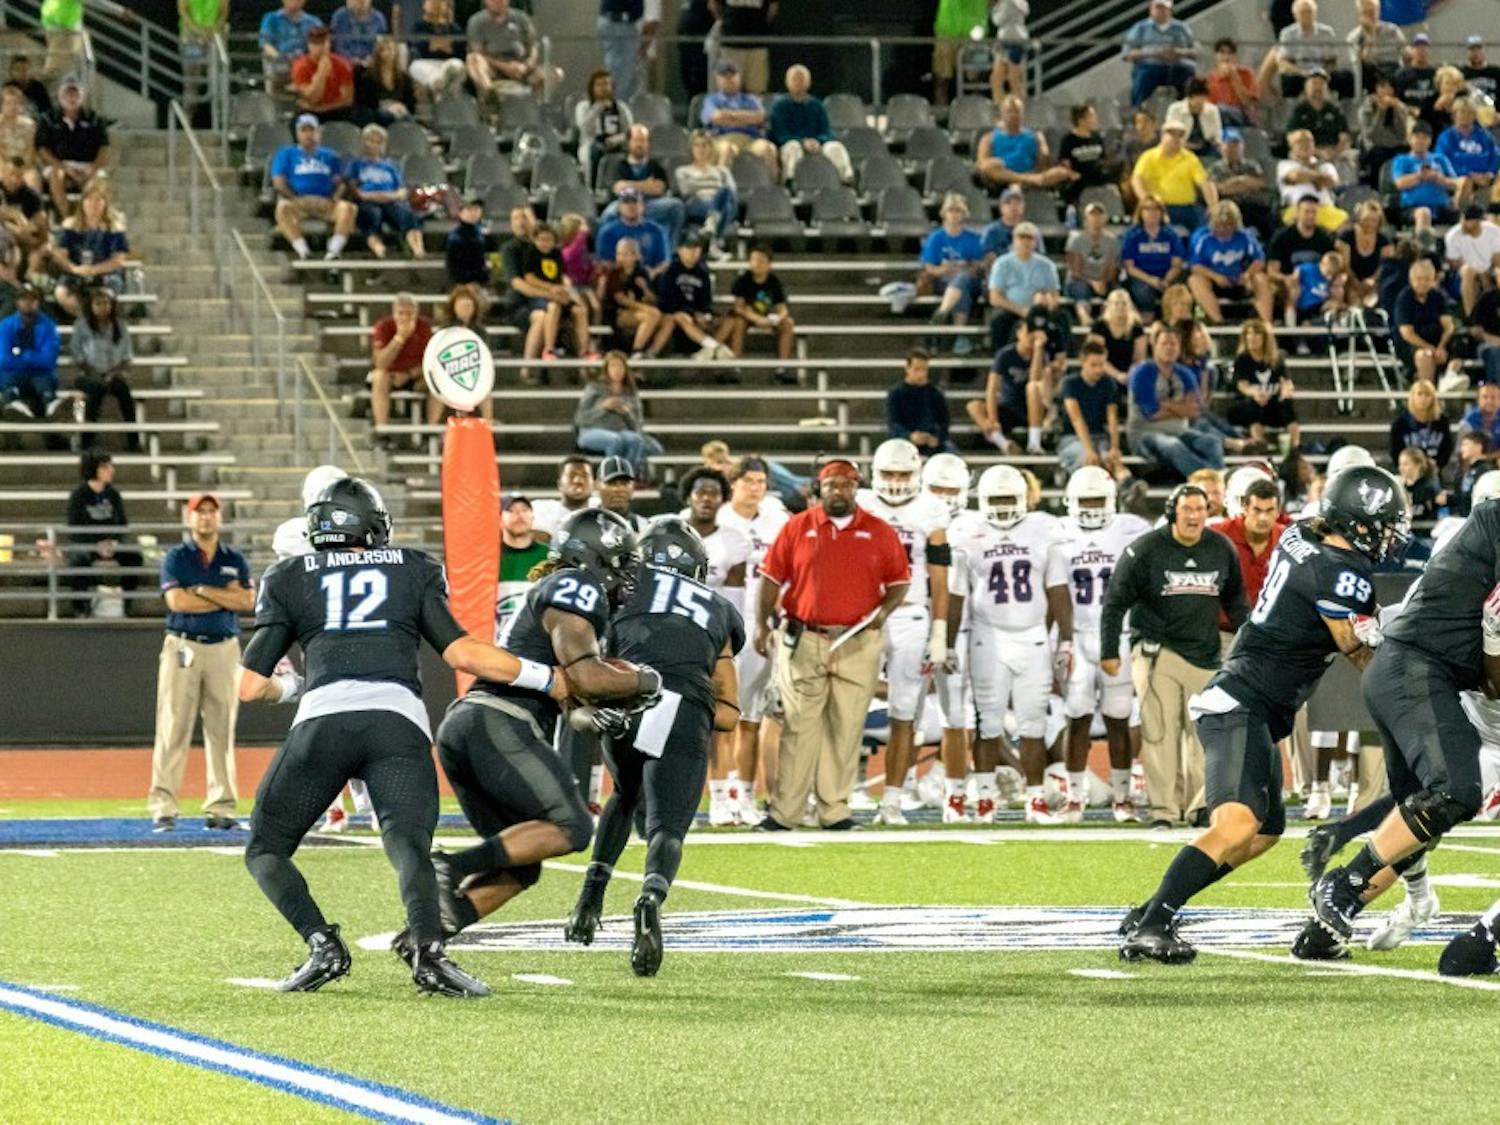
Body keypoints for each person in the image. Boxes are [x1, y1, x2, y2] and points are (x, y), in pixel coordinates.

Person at [239, 478, 561, 996]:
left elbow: (250, 686)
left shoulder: (288, 576)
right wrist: (546, 677)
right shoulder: (412, 567)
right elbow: (461, 654)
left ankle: (322, 944)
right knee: (410, 845)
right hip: (398, 721)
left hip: (323, 722)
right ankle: (430, 955)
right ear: (371, 526)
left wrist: (294, 687)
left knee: (265, 849)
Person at [1119, 466, 1398, 962]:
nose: (1391, 533)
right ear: (1358, 522)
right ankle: (1156, 918)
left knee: (1266, 830)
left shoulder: (1301, 537)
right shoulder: (1341, 573)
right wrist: (1397, 662)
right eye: (1385, 522)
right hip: (1243, 701)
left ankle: (1150, 911)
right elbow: (1353, 650)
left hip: (1252, 701)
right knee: (1237, 825)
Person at [1305, 489, 1492, 955]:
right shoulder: (1492, 527)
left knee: (1416, 814)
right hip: (1420, 672)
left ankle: (1319, 935)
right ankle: (1344, 886)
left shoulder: (1479, 538)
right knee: (1453, 792)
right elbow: (1494, 681)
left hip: (1404, 670)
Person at [565, 519, 744, 973]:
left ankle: (589, 899)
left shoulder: (622, 586)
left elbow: (589, 656)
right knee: (667, 827)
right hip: (685, 702)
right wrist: (699, 719)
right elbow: (729, 712)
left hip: (626, 693)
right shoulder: (718, 608)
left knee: (625, 795)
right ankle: (650, 897)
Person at [751, 458, 910, 830]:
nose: (839, 491)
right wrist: (761, 625)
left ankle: (834, 810)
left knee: (847, 726)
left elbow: (900, 581)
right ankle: (785, 812)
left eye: (847, 484)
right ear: (819, 488)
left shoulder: (879, 530)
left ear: (857, 488)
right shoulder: (797, 527)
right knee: (798, 725)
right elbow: (771, 579)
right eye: (832, 485)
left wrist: (882, 616)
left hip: (858, 639)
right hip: (805, 635)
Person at [1099, 483, 1246, 828]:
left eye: (1200, 509)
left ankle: (1199, 806)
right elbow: (1115, 601)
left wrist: (1248, 642)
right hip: (1157, 651)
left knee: (1203, 736)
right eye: (1187, 510)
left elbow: (1236, 601)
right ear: (1172, 513)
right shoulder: (1146, 549)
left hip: (1206, 653)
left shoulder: (1220, 547)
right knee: (1160, 732)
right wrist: (1109, 650)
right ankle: (1163, 810)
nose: (1194, 516)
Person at [945, 465, 1070, 824]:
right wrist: (949, 644)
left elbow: (1058, 590)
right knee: (988, 724)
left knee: (1033, 725)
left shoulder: (1042, 529)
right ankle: (985, 799)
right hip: (988, 637)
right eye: (995, 499)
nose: (1001, 507)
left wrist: (1067, 640)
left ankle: (1035, 800)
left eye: (1008, 499)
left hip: (1031, 638)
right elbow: (956, 596)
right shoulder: (968, 531)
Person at [856, 440, 952, 826]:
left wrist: (940, 630)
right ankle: (833, 792)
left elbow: (940, 577)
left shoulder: (932, 509)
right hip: (862, 614)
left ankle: (892, 800)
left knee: (904, 713)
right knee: (844, 708)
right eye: (889, 474)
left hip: (912, 614)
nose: (895, 483)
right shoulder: (861, 502)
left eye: (903, 474)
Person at [1049, 466, 1153, 822]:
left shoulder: (1131, 529)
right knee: (1076, 716)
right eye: (1085, 501)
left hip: (1117, 635)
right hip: (1076, 634)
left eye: (1097, 500)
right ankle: (1074, 796)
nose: (1091, 508)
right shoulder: (1057, 532)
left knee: (1118, 718)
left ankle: (1122, 797)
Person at [148, 493, 253, 833]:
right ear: (188, 517)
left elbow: (247, 600)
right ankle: (163, 806)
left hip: (224, 647)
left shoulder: (234, 558)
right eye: (199, 512)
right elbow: (177, 602)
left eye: (211, 511)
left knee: (222, 727)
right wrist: (224, 596)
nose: (206, 517)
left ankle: (221, 807)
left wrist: (204, 591)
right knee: (173, 725)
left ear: (219, 517)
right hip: (184, 645)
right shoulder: (177, 557)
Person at [1127, 322, 1224, 480]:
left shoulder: (1185, 374)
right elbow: (1152, 413)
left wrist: (1166, 404)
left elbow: (1193, 411)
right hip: (1145, 434)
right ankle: (1207, 483)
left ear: (1179, 348)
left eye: (1173, 344)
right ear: (1155, 346)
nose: (1169, 348)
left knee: (1211, 442)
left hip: (1180, 431)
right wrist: (1180, 409)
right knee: (1173, 446)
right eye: (1164, 343)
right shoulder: (1142, 373)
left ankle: (1217, 482)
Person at [971, 307, 1063, 455]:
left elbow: (1035, 378)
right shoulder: (1006, 354)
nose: (1032, 338)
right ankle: (1003, 443)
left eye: (1035, 336)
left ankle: (1034, 443)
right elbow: (992, 388)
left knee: (1032, 387)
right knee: (974, 406)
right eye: (1029, 334)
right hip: (1010, 406)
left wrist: (1038, 350)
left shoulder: (1042, 355)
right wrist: (994, 419)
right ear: (1019, 333)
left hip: (1033, 408)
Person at [63, 449, 143, 618]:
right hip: (88, 543)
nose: (111, 470)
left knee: (135, 557)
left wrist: (114, 542)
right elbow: (74, 527)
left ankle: (128, 602)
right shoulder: (78, 496)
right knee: (78, 560)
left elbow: (122, 522)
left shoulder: (113, 495)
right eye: (105, 467)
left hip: (111, 544)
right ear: (94, 470)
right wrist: (95, 545)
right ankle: (80, 607)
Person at [339, 124, 425, 261]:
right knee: (372, 215)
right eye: (370, 140)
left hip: (390, 200)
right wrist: (367, 196)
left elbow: (402, 191)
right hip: (366, 202)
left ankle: (418, 251)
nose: (374, 145)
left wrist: (389, 196)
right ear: (363, 143)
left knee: (406, 215)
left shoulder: (390, 166)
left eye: (378, 142)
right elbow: (354, 189)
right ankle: (381, 251)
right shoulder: (356, 164)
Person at [574, 351, 662, 479]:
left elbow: (636, 426)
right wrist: (603, 407)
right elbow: (580, 419)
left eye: (620, 366)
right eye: (613, 366)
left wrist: (627, 413)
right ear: (606, 369)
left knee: (635, 439)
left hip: (620, 431)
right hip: (590, 431)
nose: (617, 370)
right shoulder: (594, 388)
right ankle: (609, 478)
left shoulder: (630, 392)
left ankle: (627, 478)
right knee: (614, 440)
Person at [921, 194, 987, 357]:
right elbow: (930, 268)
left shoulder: (973, 238)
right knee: (961, 289)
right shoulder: (936, 238)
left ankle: (941, 313)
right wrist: (946, 269)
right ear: (944, 213)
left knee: (963, 278)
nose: (955, 214)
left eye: (958, 210)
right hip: (943, 282)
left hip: (969, 282)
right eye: (951, 210)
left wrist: (963, 268)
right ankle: (960, 336)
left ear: (964, 214)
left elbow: (978, 265)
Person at [271, 115, 344, 263]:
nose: (308, 134)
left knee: (349, 208)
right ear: (297, 133)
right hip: (298, 201)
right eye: (304, 130)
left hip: (325, 202)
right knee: (282, 208)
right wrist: (294, 198)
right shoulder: (286, 154)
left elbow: (340, 182)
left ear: (318, 133)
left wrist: (335, 197)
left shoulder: (330, 156)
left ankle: (334, 251)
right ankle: (303, 251)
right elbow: (278, 182)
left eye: (312, 130)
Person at [521, 222, 597, 364]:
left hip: (559, 293)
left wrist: (564, 288)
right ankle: (549, 349)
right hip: (541, 295)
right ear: (535, 240)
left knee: (580, 311)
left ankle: (585, 350)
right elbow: (529, 278)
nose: (545, 243)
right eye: (542, 239)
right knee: (553, 307)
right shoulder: (531, 254)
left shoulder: (557, 254)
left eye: (549, 240)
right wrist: (550, 288)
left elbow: (562, 275)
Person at [1188, 199, 1273, 325]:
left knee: (1261, 278)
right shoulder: (1202, 237)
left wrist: (1247, 274)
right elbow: (1195, 266)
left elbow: (1259, 260)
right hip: (1214, 281)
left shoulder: (1244, 235)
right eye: (1220, 225)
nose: (1224, 229)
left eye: (1229, 225)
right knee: (1195, 280)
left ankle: (1265, 323)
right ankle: (1218, 322)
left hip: (1239, 280)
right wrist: (1216, 277)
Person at [600, 125, 686, 248]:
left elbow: (660, 188)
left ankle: (670, 253)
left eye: (643, 140)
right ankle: (609, 256)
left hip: (650, 205)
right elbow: (618, 188)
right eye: (636, 140)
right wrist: (646, 185)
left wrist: (629, 185)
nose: (640, 144)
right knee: (608, 215)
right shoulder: (618, 165)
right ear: (629, 142)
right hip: (623, 205)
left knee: (676, 206)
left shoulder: (656, 166)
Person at [70, 286, 135, 443]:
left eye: (106, 303)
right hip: (87, 374)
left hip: (114, 374)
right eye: (98, 304)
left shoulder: (120, 326)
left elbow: (127, 356)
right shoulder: (81, 325)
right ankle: (87, 440)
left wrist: (111, 374)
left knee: (125, 393)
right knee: (95, 390)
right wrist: (94, 373)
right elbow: (77, 353)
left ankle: (134, 439)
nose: (102, 307)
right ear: (91, 306)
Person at [368, 294, 437, 442]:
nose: (405, 318)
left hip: (416, 375)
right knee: (380, 376)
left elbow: (431, 361)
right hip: (390, 375)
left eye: (409, 314)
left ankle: (431, 434)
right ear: (394, 314)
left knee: (438, 378)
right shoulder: (383, 326)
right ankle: (382, 433)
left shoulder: (424, 327)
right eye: (401, 313)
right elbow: (380, 362)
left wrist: (409, 374)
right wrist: (399, 338)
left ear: (416, 314)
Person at [36, 79, 108, 220]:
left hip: (87, 164)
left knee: (96, 181)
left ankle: (89, 219)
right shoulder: (48, 119)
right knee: (57, 175)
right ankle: (67, 217)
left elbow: (104, 148)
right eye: (68, 95)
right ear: (60, 97)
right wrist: (64, 167)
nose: (71, 99)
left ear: (81, 97)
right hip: (59, 164)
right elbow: (42, 149)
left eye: (75, 95)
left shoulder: (94, 119)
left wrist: (93, 167)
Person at [651, 237, 731, 362]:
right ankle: (714, 347)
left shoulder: (703, 274)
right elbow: (667, 302)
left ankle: (707, 353)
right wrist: (693, 314)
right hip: (675, 317)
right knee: (681, 317)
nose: (692, 252)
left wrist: (706, 315)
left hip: (697, 317)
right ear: (680, 250)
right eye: (689, 249)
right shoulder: (670, 271)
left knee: (728, 320)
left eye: (696, 249)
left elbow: (705, 302)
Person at [717, 244, 794, 373]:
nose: (756, 264)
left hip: (765, 317)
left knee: (788, 323)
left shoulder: (774, 282)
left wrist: (776, 318)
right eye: (753, 260)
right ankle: (735, 365)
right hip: (745, 317)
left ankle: (783, 367)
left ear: (769, 265)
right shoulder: (743, 280)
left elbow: (782, 308)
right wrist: (758, 319)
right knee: (739, 322)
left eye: (760, 260)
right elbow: (739, 307)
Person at [769, 64, 853, 185]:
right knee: (792, 148)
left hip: (816, 144)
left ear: (808, 83)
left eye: (801, 79)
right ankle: (791, 182)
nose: (798, 83)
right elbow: (780, 134)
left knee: (835, 147)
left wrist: (818, 141)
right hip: (793, 143)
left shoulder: (817, 105)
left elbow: (826, 131)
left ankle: (846, 181)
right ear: (787, 82)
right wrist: (802, 142)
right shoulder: (780, 106)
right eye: (794, 79)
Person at [986, 221, 1061, 353]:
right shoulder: (1002, 263)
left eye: (1030, 238)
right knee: (998, 320)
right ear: (1014, 240)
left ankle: (1060, 358)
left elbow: (1054, 296)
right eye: (1022, 237)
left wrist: (1047, 303)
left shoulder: (1047, 266)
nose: (1026, 241)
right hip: (1011, 310)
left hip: (1039, 311)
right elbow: (994, 298)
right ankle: (1001, 359)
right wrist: (1022, 310)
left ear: (1036, 242)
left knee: (1062, 318)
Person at [1228, 319, 1298, 454]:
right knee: (1252, 404)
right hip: (1248, 407)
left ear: (1265, 338)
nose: (1251, 338)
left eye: (1256, 334)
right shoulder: (1242, 359)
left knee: (1286, 403)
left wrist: (1286, 392)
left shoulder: (1276, 358)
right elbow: (1242, 385)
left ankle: (1295, 445)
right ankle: (1260, 444)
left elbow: (1286, 382)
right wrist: (1255, 393)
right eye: (1248, 334)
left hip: (1271, 407)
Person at [976, 96, 1070, 193]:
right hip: (1002, 179)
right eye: (1009, 111)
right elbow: (982, 165)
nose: (1013, 115)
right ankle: (1025, 180)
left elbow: (1043, 167)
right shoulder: (988, 138)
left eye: (1017, 111)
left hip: (1031, 176)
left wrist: (1043, 147)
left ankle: (1025, 181)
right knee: (990, 166)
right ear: (1002, 115)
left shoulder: (1035, 136)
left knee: (1061, 172)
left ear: (1022, 114)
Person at [1058, 339, 1124, 476]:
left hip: (1100, 435)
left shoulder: (1108, 383)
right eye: (1094, 365)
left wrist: (1114, 448)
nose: (1099, 370)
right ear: (1083, 362)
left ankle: (1126, 483)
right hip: (1073, 437)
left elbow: (1112, 417)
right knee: (1090, 460)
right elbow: (1077, 419)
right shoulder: (1070, 383)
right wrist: (1089, 450)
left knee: (1112, 461)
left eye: (1102, 364)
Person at [466, 0, 551, 102]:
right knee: (473, 59)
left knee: (555, 74)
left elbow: (533, 46)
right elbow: (478, 52)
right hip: (493, 68)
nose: (498, 2)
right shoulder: (476, 21)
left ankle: (533, 105)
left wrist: (527, 65)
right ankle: (490, 97)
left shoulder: (521, 18)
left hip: (521, 67)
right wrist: (506, 67)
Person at [0, 285, 61, 423]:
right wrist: (34, 356)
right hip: (14, 376)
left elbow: (48, 360)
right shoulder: (5, 326)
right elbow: (3, 359)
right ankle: (15, 406)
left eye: (32, 299)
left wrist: (22, 354)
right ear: (17, 302)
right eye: (23, 298)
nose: (28, 302)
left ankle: (51, 409)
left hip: (41, 375)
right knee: (6, 378)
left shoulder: (48, 326)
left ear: (38, 302)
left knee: (45, 381)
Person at [700, 60, 776, 169]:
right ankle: (721, 185)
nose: (729, 79)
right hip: (723, 138)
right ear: (718, 80)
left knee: (768, 149)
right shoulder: (711, 100)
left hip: (750, 139)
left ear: (739, 78)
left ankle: (770, 185)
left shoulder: (751, 99)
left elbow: (759, 117)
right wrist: (746, 118)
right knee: (727, 150)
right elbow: (715, 117)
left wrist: (729, 116)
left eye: (733, 75)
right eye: (724, 76)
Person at [1120, 0, 1197, 108]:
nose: (1161, 11)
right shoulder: (1140, 28)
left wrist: (1179, 52)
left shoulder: (1181, 28)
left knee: (1189, 74)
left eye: (1164, 8)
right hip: (1150, 67)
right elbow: (1126, 54)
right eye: (1158, 8)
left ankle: (1191, 109)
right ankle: (1138, 111)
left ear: (1170, 10)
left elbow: (1196, 51)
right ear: (1151, 9)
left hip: (1177, 67)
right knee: (1143, 77)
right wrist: (1154, 54)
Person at [674, 131, 738, 258]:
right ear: (691, 149)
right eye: (697, 145)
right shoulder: (682, 171)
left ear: (711, 148)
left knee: (726, 194)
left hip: (721, 203)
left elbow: (731, 193)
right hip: (696, 204)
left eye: (704, 145)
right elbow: (686, 191)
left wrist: (717, 197)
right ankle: (715, 236)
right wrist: (713, 200)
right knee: (719, 203)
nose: (701, 149)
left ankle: (711, 225)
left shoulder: (722, 171)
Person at [1285, 68, 1355, 185]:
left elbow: (1345, 138)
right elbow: (1292, 138)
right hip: (1309, 151)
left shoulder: (1335, 111)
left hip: (1333, 149)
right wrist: (1317, 152)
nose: (1318, 87)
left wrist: (1334, 153)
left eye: (1321, 84)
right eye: (1314, 83)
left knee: (1351, 157)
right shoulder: (1299, 111)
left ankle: (1345, 189)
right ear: (1306, 87)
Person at [1264, 0, 1344, 100]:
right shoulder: (1287, 33)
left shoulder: (1326, 32)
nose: (1306, 16)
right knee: (1289, 82)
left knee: (1345, 79)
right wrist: (1302, 72)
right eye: (1302, 13)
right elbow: (1283, 62)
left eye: (1309, 12)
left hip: (1322, 71)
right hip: (1299, 72)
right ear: (1295, 15)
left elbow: (1333, 60)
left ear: (1315, 14)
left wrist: (1324, 73)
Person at [1120, 195, 1187, 316]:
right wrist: (1151, 280)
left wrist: (1166, 280)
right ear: (1140, 212)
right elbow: (1130, 267)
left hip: (1167, 276)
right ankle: (1147, 318)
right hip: (1141, 277)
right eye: (1147, 209)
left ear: (1162, 212)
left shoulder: (1171, 234)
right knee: (1142, 291)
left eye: (1156, 209)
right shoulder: (1132, 234)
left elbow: (1177, 264)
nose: (1152, 213)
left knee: (1179, 290)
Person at [1267, 195, 1335, 312]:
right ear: (1297, 212)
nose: (1310, 216)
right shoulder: (1282, 237)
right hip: (1290, 281)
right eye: (1306, 212)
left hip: (1318, 282)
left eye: (1314, 212)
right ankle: (1291, 325)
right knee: (1293, 289)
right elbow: (1272, 271)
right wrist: (1286, 279)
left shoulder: (1324, 237)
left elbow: (1333, 265)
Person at [596, 237, 662, 357]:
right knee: (653, 314)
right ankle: (636, 350)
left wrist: (645, 289)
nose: (621, 258)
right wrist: (645, 308)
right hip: (615, 313)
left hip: (636, 311)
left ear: (636, 255)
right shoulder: (613, 272)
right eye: (619, 254)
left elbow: (653, 299)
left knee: (666, 318)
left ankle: (652, 351)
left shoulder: (642, 272)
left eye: (626, 254)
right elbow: (620, 299)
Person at [1392, 258, 1454, 383]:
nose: (1423, 283)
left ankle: (1450, 381)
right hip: (1413, 345)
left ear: (1433, 279)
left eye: (1427, 279)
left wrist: (1441, 346)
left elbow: (1448, 326)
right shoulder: (1404, 299)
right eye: (1419, 279)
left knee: (1458, 351)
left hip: (1437, 341)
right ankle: (1428, 393)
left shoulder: (1438, 296)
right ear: (1412, 280)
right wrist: (1430, 348)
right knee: (1424, 357)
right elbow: (1407, 333)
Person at [1275, 130, 1345, 232]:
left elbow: (1331, 181)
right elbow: (1295, 176)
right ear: (1291, 146)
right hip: (1297, 209)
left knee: (1346, 226)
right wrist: (1318, 177)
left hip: (1325, 208)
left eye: (1309, 141)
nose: (1305, 145)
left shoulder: (1325, 165)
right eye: (1300, 141)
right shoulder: (1285, 165)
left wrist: (1307, 176)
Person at [1392, 121, 1462, 224]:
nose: (1420, 141)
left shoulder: (1440, 159)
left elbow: (1456, 184)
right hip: (1413, 208)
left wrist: (1438, 178)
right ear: (1410, 139)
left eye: (1424, 137)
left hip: (1441, 207)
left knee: (1465, 213)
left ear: (1430, 140)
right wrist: (1420, 176)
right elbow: (1400, 183)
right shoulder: (1402, 160)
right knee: (1424, 213)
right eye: (1417, 137)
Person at [1436, 99, 1498, 214]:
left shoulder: (1484, 135)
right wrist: (1469, 174)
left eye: (1470, 113)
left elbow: (1495, 156)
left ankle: (1480, 220)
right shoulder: (1446, 137)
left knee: (1487, 189)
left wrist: (1490, 173)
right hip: (1457, 179)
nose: (1466, 116)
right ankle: (1462, 216)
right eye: (1462, 112)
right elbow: (1442, 161)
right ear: (1454, 115)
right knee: (1466, 183)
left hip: (1483, 180)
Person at [1064, 202, 1121, 327]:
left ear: (1104, 218)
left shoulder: (1112, 241)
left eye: (1099, 215)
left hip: (1103, 280)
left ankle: (1105, 320)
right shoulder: (1076, 240)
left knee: (1116, 292)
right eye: (1092, 215)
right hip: (1080, 279)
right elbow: (1074, 270)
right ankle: (1085, 319)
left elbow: (1113, 266)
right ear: (1086, 219)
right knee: (1081, 290)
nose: (1096, 218)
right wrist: (1092, 282)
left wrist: (1104, 281)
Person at [886, 347, 951, 455]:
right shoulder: (896, 393)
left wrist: (937, 437)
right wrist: (909, 436)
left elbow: (944, 421)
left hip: (933, 446)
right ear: (907, 368)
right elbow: (893, 423)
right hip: (904, 445)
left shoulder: (935, 394)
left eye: (924, 370)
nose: (921, 374)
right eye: (916, 369)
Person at [596, 187, 673, 275]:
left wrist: (651, 274)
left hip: (650, 279)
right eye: (626, 202)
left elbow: (665, 262)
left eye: (635, 202)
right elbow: (604, 262)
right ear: (619, 207)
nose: (630, 206)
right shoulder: (607, 232)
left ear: (643, 206)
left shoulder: (657, 230)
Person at [1358, 74, 1415, 189]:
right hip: (1375, 147)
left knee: (1408, 153)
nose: (1387, 91)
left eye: (1390, 87)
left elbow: (1402, 134)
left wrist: (1398, 112)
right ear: (1376, 89)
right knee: (1379, 155)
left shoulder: (1399, 107)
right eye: (1383, 87)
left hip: (1396, 145)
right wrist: (1381, 112)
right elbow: (1372, 135)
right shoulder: (1366, 108)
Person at [575, 70, 633, 182]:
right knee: (594, 151)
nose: (603, 88)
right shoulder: (583, 107)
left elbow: (629, 132)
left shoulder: (621, 107)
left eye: (606, 84)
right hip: (591, 144)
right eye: (599, 85)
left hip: (616, 144)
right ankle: (592, 186)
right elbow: (583, 128)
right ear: (592, 88)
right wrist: (597, 108)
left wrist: (617, 139)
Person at [289, 27, 355, 124]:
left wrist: (322, 109)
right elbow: (312, 98)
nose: (319, 48)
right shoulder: (300, 66)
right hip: (309, 110)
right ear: (309, 46)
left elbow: (348, 99)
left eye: (323, 43)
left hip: (336, 109)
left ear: (329, 44)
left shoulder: (342, 64)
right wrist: (321, 73)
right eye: (315, 44)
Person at [1443, 204, 1500, 314]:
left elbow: (1497, 260)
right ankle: (1472, 317)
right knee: (1469, 272)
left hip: (1489, 270)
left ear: (1478, 222)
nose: (1463, 224)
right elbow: (1455, 265)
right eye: (1463, 219)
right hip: (1462, 274)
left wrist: (1487, 273)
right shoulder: (1453, 235)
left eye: (1468, 220)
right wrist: (1478, 273)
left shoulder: (1493, 231)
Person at [1336, 199, 1393, 308]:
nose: (1370, 224)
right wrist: (1356, 284)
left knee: (1373, 301)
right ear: (1359, 218)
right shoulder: (1346, 237)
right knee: (1353, 299)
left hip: (1373, 283)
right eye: (1367, 219)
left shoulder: (1384, 241)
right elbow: (1345, 266)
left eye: (1374, 220)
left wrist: (1372, 280)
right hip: (1350, 281)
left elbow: (1384, 266)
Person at [711, 0, 777, 94]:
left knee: (757, 91)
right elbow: (713, 4)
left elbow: (773, 7)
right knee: (728, 91)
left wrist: (760, 27)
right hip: (731, 45)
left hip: (757, 45)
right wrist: (725, 22)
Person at [931, 0, 989, 107]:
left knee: (976, 78)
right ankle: (941, 109)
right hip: (947, 28)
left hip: (976, 32)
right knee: (942, 74)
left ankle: (977, 109)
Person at [259, 0, 323, 94]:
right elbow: (265, 44)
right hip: (281, 62)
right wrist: (281, 57)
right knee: (281, 67)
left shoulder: (314, 22)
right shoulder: (271, 18)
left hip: (307, 64)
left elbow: (322, 44)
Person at [407, 0, 466, 100]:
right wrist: (440, 46)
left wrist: (433, 45)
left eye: (440, 2)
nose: (436, 5)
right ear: (424, 6)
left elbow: (460, 51)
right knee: (414, 66)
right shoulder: (418, 27)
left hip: (447, 64)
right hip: (426, 65)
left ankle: (440, 89)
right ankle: (439, 85)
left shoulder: (454, 28)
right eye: (433, 2)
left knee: (457, 65)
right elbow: (416, 47)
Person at [1389, 377, 1452, 468]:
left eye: (1427, 395)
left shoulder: (1441, 421)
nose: (1423, 399)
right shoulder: (1400, 423)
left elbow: (1446, 449)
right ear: (1413, 397)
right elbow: (1395, 452)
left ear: (1433, 398)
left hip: (1434, 469)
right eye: (1419, 394)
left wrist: (1435, 465)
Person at [530, 456, 597, 541]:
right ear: (559, 484)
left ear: (594, 484)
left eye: (585, 476)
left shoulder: (602, 511)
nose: (578, 481)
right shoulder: (540, 509)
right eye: (571, 475)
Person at [1092, 288, 1147, 387]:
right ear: (1109, 306)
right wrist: (1117, 375)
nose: (1120, 307)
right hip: (1104, 372)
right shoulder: (1099, 326)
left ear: (1129, 306)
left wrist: (1130, 374)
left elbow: (1139, 358)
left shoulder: (1136, 328)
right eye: (1116, 303)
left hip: (1129, 373)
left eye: (1124, 303)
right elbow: (1096, 357)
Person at [356, 36, 417, 124]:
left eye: (389, 49)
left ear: (396, 52)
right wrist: (388, 108)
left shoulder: (404, 78)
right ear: (378, 53)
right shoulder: (368, 77)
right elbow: (365, 104)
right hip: (378, 114)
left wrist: (402, 107)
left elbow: (411, 103)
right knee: (388, 117)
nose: (387, 53)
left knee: (407, 119)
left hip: (400, 112)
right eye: (383, 50)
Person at [1346, 0, 1405, 91]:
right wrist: (1370, 34)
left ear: (1379, 11)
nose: (1370, 16)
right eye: (1366, 12)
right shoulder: (1353, 37)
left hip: (1392, 69)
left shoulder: (1393, 30)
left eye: (1372, 11)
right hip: (1370, 75)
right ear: (1359, 14)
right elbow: (1360, 63)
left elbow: (1405, 52)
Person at [597, 0, 647, 103]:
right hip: (620, 23)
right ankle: (617, 110)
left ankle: (616, 107)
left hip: (620, 22)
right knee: (622, 72)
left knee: (621, 71)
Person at [1206, 37, 1259, 127]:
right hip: (1217, 116)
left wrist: (1234, 76)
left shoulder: (1246, 73)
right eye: (1222, 52)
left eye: (1230, 53)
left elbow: (1247, 103)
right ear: (1216, 56)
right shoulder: (1210, 78)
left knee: (1222, 110)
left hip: (1243, 115)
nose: (1226, 57)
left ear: (1235, 56)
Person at [1165, 79, 1222, 160]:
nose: (1200, 101)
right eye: (1197, 97)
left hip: (1206, 148)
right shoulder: (1175, 109)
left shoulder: (1212, 110)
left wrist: (1218, 143)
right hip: (1182, 147)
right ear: (1189, 97)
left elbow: (1217, 133)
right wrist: (1184, 144)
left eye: (1203, 97)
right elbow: (1169, 132)